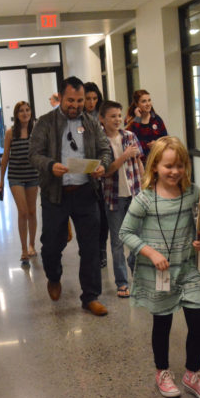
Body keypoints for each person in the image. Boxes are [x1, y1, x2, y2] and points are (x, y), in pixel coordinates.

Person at [119, 136, 200, 398]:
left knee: (198, 321)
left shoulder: (193, 193)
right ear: (155, 168)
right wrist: (150, 252)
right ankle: (162, 371)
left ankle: (193, 374)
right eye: (168, 166)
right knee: (162, 324)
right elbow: (125, 232)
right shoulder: (145, 200)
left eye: (180, 165)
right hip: (158, 274)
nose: (175, 172)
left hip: (187, 269)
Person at [29, 76, 113, 316]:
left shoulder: (91, 123)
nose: (75, 105)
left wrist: (102, 166)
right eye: (70, 100)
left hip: (86, 192)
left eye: (80, 100)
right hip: (55, 194)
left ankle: (90, 297)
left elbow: (105, 149)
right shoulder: (45, 123)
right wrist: (49, 165)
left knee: (90, 247)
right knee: (51, 245)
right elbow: (33, 154)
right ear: (61, 97)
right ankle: (54, 277)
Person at [99, 100, 144, 297]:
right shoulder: (100, 141)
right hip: (114, 198)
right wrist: (124, 156)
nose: (117, 119)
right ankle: (122, 282)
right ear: (102, 119)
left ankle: (138, 273)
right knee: (117, 242)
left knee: (138, 238)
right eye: (112, 116)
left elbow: (139, 164)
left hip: (134, 194)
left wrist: (145, 188)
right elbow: (106, 171)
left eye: (119, 115)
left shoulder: (130, 136)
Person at [0, 101, 39, 264]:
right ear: (16, 114)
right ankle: (23, 250)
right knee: (22, 212)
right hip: (15, 176)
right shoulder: (10, 133)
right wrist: (1, 180)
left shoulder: (35, 131)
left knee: (32, 211)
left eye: (27, 110)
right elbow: (6, 156)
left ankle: (32, 245)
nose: (25, 113)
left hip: (32, 175)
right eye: (21, 111)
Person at [84, 81, 108, 267]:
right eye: (88, 99)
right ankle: (90, 248)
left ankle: (101, 249)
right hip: (86, 173)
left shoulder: (103, 117)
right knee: (91, 217)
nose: (91, 102)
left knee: (104, 216)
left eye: (94, 98)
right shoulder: (79, 119)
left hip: (105, 171)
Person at [127, 89, 168, 159]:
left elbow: (166, 139)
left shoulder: (156, 119)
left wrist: (157, 144)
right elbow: (131, 140)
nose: (148, 104)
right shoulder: (131, 120)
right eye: (144, 101)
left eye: (149, 100)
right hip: (139, 161)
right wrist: (138, 118)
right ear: (137, 104)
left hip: (156, 159)